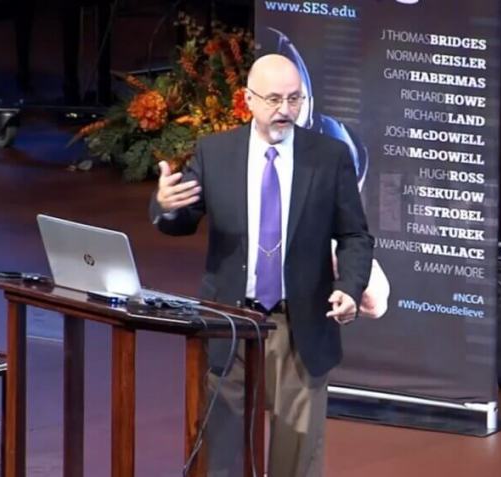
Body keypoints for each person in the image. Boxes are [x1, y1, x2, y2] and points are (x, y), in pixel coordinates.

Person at [150, 54, 374, 476]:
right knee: (223, 459)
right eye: (273, 99)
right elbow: (180, 221)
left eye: (294, 99)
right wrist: (164, 205)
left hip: (300, 325)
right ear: (248, 99)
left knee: (298, 463)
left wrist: (349, 285)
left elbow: (355, 235)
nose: (284, 110)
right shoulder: (215, 152)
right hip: (229, 323)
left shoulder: (329, 157)